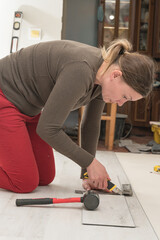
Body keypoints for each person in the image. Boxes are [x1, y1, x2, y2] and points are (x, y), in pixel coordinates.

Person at [0, 38, 155, 193]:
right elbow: (47, 129)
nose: (121, 103)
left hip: (28, 109)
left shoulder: (103, 77)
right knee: (24, 182)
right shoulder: (81, 70)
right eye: (125, 96)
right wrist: (90, 162)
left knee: (45, 177)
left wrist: (87, 173)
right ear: (115, 75)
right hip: (4, 98)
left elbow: (90, 125)